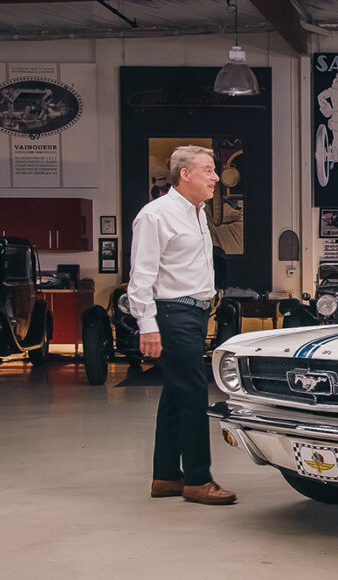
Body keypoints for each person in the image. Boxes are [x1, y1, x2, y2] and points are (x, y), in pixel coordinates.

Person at [128, 145, 237, 506]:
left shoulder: (197, 213)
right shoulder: (156, 216)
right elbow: (141, 276)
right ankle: (197, 480)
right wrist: (148, 325)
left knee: (175, 396)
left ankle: (165, 477)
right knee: (192, 394)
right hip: (172, 313)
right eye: (208, 170)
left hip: (192, 312)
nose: (216, 177)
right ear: (185, 174)